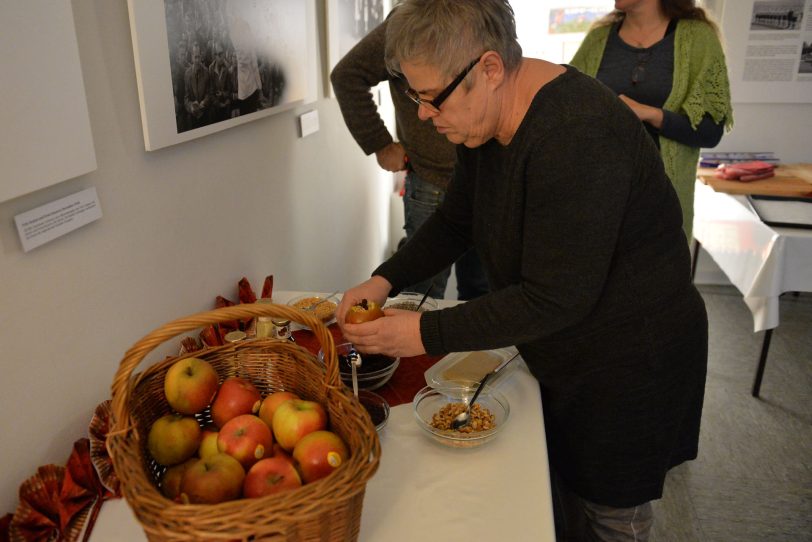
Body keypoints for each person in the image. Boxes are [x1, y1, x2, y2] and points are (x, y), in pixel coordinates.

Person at [335, 1, 708, 540]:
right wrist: (384, 278)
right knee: (559, 494)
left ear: (488, 69)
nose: (420, 114)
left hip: (629, 358)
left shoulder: (578, 133)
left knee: (610, 516)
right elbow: (457, 219)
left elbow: (555, 297)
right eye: (413, 96)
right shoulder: (484, 124)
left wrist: (422, 332)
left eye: (430, 98)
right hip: (569, 345)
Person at [330, 16, 489, 301]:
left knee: (481, 287)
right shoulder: (409, 21)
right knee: (421, 295)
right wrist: (380, 143)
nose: (425, 111)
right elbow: (347, 75)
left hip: (487, 175)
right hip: (433, 179)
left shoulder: (482, 14)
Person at [570, 0, 733, 241]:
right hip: (597, 197)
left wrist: (650, 114)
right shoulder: (597, 39)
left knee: (656, 275)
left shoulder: (698, 38)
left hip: (660, 203)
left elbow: (710, 132)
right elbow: (568, 112)